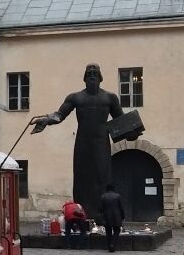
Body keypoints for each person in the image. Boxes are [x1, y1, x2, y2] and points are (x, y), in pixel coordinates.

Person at [32, 63, 138, 220]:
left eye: (95, 72)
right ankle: (80, 215)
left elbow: (120, 120)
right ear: (85, 77)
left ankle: (102, 215)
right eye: (89, 72)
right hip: (82, 142)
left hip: (102, 142)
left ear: (100, 76)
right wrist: (46, 120)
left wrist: (132, 133)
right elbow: (60, 115)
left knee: (103, 176)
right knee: (81, 178)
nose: (92, 74)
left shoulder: (110, 98)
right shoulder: (75, 97)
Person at [100, 183, 125, 253]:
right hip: (117, 216)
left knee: (108, 231)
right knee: (117, 230)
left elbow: (101, 208)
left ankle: (110, 245)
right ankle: (112, 244)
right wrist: (123, 216)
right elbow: (121, 207)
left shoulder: (103, 196)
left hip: (107, 216)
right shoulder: (117, 196)